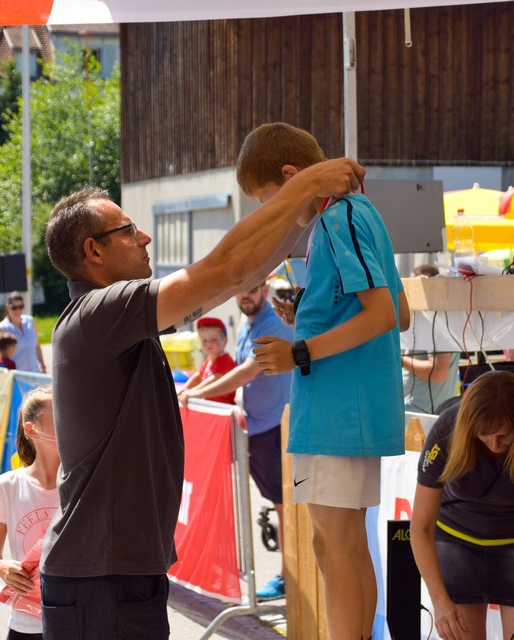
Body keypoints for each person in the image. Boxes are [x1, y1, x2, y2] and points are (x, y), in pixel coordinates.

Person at [40, 154, 364, 639]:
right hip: (100, 580)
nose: (145, 237)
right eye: (128, 230)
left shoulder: (114, 318)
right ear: (94, 251)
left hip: (115, 574)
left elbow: (240, 276)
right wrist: (306, 184)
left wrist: (302, 215)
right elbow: (224, 268)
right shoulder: (99, 313)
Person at [243, 122, 410, 640]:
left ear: (292, 175)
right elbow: (398, 312)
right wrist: (309, 322)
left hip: (337, 410)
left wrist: (300, 349)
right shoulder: (358, 213)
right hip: (348, 408)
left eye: (268, 197)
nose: (270, 210)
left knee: (335, 548)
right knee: (345, 545)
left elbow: (384, 315)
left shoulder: (338, 218)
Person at [409, 370, 514, 640]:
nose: (494, 444)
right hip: (457, 543)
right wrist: (439, 601)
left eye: (504, 435)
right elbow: (421, 527)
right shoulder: (446, 430)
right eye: (483, 435)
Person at [178, 279, 294, 600]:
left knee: (286, 506)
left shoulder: (272, 324)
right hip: (257, 427)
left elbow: (246, 372)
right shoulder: (247, 324)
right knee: (281, 505)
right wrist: (190, 390)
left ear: (265, 291)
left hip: (274, 426)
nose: (246, 295)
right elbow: (216, 369)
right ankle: (289, 575)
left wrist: (196, 394)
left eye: (253, 288)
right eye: (241, 289)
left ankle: (288, 577)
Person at [0, 385, 58, 640]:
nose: (69, 420)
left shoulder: (83, 485)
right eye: (58, 415)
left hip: (75, 617)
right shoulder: (8, 486)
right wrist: (1, 567)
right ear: (31, 430)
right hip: (27, 621)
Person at [402, 265, 460, 415]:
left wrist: (399, 360)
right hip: (416, 411)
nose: (409, 292)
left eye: (415, 286)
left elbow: (438, 372)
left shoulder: (438, 321)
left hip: (426, 414)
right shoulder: (424, 318)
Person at [178, 317, 237, 404]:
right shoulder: (208, 361)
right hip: (210, 405)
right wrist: (184, 389)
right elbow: (198, 376)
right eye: (204, 340)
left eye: (214, 339)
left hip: (223, 407)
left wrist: (193, 391)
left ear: (225, 341)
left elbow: (215, 379)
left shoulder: (226, 360)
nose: (208, 344)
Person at [0, 292, 46, 373]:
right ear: (7, 307)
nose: (18, 310)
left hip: (35, 373)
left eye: (21, 306)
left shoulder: (30, 321)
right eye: (14, 307)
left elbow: (37, 346)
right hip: (17, 375)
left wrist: (43, 365)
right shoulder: (2, 328)